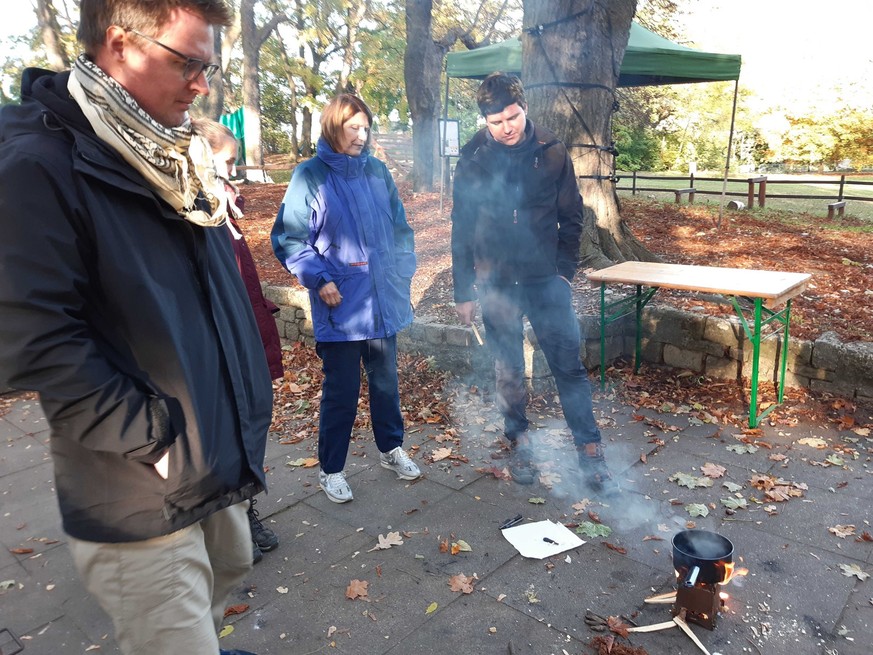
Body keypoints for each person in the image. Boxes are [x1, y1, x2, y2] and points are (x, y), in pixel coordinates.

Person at [0, 2, 271, 654]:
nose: (202, 85)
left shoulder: (171, 154)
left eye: (208, 66)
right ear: (121, 46)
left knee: (222, 584)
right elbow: (28, 338)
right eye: (189, 64)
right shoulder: (39, 165)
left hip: (215, 457)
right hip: (140, 489)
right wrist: (152, 438)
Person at [450, 72, 618, 495]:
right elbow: (461, 229)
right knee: (507, 366)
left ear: (524, 108)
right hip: (496, 283)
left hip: (546, 280)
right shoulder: (471, 158)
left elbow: (572, 218)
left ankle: (590, 449)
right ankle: (519, 439)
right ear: (484, 121)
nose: (507, 127)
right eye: (496, 122)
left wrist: (564, 274)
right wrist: (462, 289)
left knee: (569, 367)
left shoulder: (552, 151)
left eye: (513, 117)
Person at [272, 94, 419, 504]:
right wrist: (318, 280)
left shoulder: (377, 172)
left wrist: (404, 269)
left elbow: (401, 229)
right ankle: (331, 469)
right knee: (343, 391)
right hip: (341, 306)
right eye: (353, 127)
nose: (362, 135)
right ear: (333, 127)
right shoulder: (310, 175)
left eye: (366, 127)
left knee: (386, 384)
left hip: (383, 302)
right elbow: (288, 239)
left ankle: (391, 448)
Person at [194, 118, 282, 564]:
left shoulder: (223, 205)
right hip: (215, 343)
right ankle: (227, 521)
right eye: (226, 161)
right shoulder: (192, 208)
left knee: (252, 424)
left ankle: (246, 509)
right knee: (226, 433)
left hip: (244, 331)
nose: (232, 170)